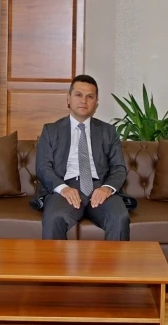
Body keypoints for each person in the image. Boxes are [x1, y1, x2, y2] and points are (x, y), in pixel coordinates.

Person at [32, 74, 132, 241]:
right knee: (54, 217)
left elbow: (118, 168)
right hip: (65, 188)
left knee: (119, 218)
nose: (84, 100)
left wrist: (106, 188)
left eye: (90, 96)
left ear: (96, 102)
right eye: (78, 95)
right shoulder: (51, 130)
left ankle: (114, 261)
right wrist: (63, 188)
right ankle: (54, 261)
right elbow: (43, 167)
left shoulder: (108, 131)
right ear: (68, 98)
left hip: (99, 187)